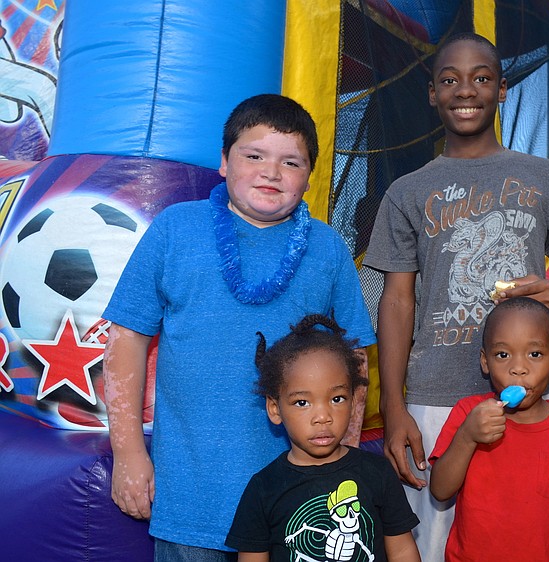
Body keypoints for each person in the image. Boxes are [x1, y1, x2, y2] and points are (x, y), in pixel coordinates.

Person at [103, 94, 376, 561]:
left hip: (299, 505)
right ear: (224, 162)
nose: (271, 172)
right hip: (191, 497)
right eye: (254, 156)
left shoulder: (328, 249)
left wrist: (341, 464)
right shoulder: (175, 229)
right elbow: (126, 340)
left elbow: (355, 359)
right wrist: (128, 453)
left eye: (290, 162)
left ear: (308, 178)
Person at [362, 32, 549, 560]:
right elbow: (396, 303)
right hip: (433, 398)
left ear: (503, 89)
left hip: (530, 397)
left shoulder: (544, 177)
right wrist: (392, 406)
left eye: (482, 78)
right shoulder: (407, 191)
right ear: (432, 93)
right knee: (428, 541)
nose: (466, 90)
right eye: (450, 80)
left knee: (524, 534)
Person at [226, 315, 420, 562]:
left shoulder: (379, 472)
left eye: (336, 398)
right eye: (302, 402)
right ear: (275, 409)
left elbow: (402, 550)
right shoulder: (263, 489)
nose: (322, 417)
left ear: (353, 401)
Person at [429, 297, 549, 562]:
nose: (518, 369)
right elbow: (440, 490)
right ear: (485, 361)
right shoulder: (469, 414)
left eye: (535, 354)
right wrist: (467, 437)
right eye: (503, 355)